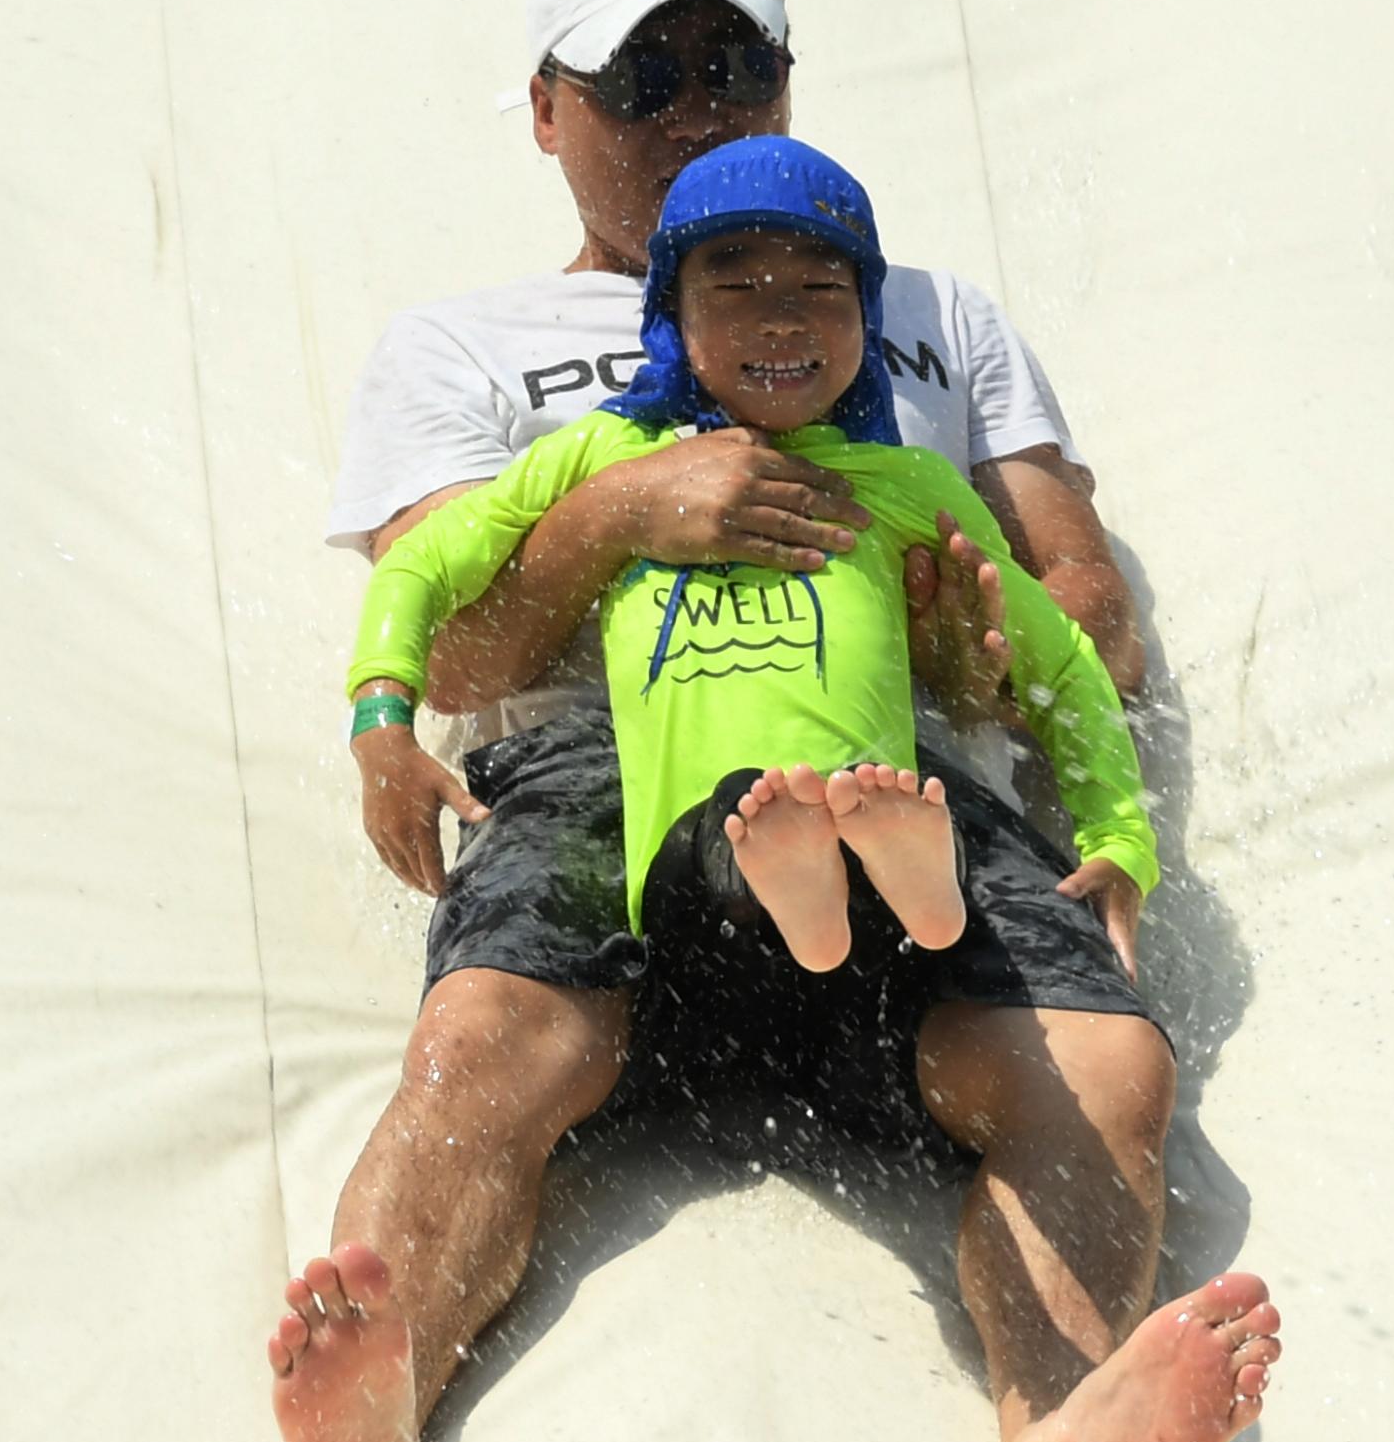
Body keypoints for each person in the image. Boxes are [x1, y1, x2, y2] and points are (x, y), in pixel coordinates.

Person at [268, 0, 1277, 1442]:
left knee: (1097, 1055)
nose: (695, 111)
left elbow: (1085, 600)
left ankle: (1062, 1430)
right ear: (543, 111)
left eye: (731, 69)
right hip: (600, 764)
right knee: (489, 1041)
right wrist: (613, 518)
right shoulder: (466, 348)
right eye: (640, 81)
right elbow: (446, 649)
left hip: (894, 770)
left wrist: (987, 663)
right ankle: (375, 1413)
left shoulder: (926, 312)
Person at [344, 134, 1159, 987]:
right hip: (692, 860)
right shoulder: (604, 454)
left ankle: (901, 876)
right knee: (751, 816)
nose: (783, 318)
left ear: (869, 319)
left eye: (823, 289)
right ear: (673, 315)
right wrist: (379, 722)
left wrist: (1120, 840)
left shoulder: (905, 483)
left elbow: (1067, 658)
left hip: (868, 811)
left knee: (853, 804)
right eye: (734, 289)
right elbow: (422, 567)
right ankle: (863, 873)